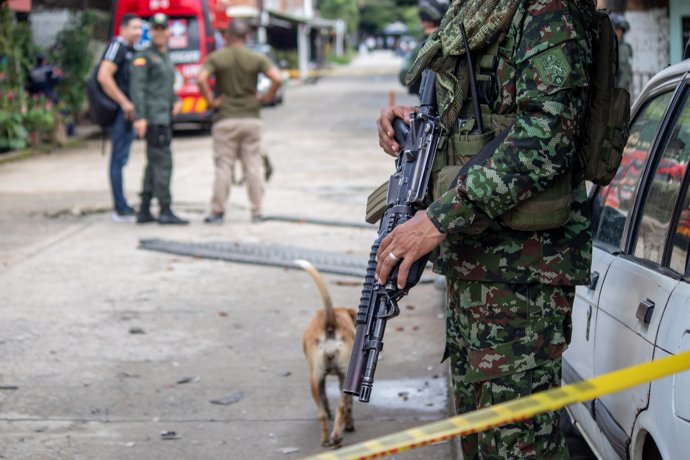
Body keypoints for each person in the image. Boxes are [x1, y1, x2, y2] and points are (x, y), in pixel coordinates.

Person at [376, 0, 596, 458]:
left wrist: (439, 218)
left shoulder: (546, 11)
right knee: (479, 441)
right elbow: (481, 119)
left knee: (519, 447)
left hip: (521, 277)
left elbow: (548, 134)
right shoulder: (473, 11)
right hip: (474, 268)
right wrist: (415, 126)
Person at [197, 20, 282, 224]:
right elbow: (277, 78)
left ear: (227, 36)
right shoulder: (256, 58)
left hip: (225, 119)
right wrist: (265, 98)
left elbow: (201, 79)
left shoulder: (217, 58)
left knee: (223, 167)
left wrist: (212, 102)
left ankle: (218, 211)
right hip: (251, 118)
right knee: (253, 166)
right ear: (247, 38)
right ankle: (257, 211)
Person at [130, 13, 188, 225]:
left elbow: (166, 85)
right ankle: (165, 208)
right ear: (151, 32)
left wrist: (175, 99)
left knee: (153, 163)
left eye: (164, 29)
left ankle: (144, 209)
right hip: (153, 118)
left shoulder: (165, 56)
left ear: (168, 32)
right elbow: (138, 90)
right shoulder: (143, 57)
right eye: (156, 29)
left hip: (164, 116)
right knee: (163, 163)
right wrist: (140, 118)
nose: (160, 33)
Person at [97, 13, 143, 223]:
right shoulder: (117, 46)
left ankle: (122, 204)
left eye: (140, 28)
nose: (138, 32)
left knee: (121, 160)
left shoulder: (130, 50)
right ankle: (120, 207)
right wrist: (124, 102)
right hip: (118, 113)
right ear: (123, 29)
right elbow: (103, 76)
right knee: (117, 160)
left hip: (126, 114)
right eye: (134, 27)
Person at [398, 0, 450, 95]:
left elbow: (405, 77)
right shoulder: (450, 38)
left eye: (424, 20)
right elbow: (404, 77)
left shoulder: (426, 44)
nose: (422, 25)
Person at [611, 13, 633, 94]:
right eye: (616, 29)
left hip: (617, 90)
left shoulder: (624, 48)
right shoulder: (606, 46)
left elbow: (625, 73)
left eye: (620, 30)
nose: (618, 32)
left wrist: (619, 92)